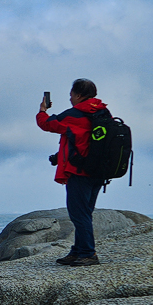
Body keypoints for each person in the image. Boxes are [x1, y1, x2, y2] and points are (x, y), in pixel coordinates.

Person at [37, 78, 107, 266]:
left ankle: (88, 254)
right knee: (84, 213)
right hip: (99, 172)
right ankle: (77, 251)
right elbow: (83, 141)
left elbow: (48, 124)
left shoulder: (75, 114)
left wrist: (43, 111)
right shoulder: (102, 112)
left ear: (78, 95)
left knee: (79, 214)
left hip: (80, 172)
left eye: (71, 95)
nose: (70, 98)